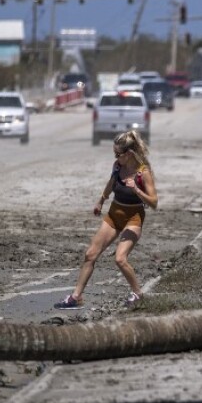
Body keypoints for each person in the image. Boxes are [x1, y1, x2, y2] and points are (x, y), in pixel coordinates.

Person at [56, 130, 158, 309]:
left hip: (133, 218)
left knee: (120, 258)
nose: (115, 157)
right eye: (114, 153)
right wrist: (101, 200)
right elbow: (111, 183)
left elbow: (154, 203)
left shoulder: (143, 172)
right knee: (90, 255)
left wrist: (137, 190)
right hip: (114, 214)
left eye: (118, 154)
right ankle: (76, 297)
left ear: (129, 154)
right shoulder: (117, 166)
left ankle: (138, 293)